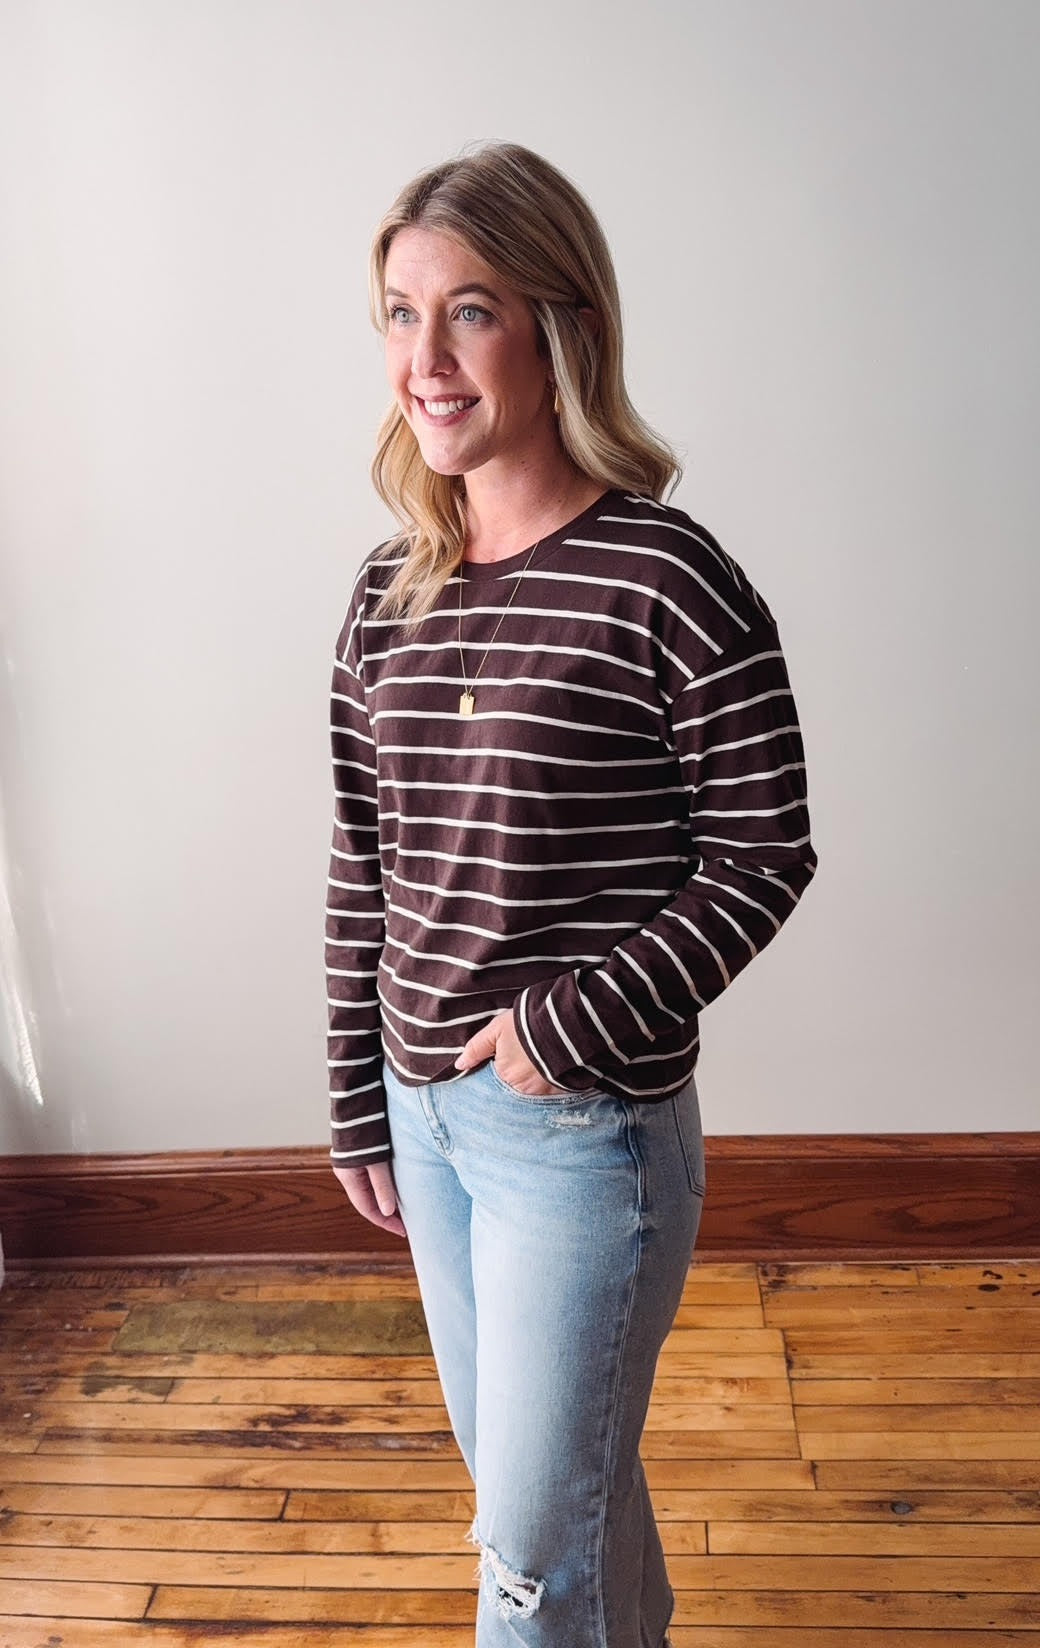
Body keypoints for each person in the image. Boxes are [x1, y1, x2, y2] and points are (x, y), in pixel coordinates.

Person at [326, 139, 818, 1648]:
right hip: (429, 1114)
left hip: (578, 1133)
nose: (427, 358)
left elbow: (767, 846)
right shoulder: (387, 590)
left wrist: (568, 1023)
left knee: (528, 1543)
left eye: (468, 311)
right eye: (402, 316)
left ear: (559, 327)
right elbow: (366, 854)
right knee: (558, 1499)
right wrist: (360, 1090)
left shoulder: (667, 578)